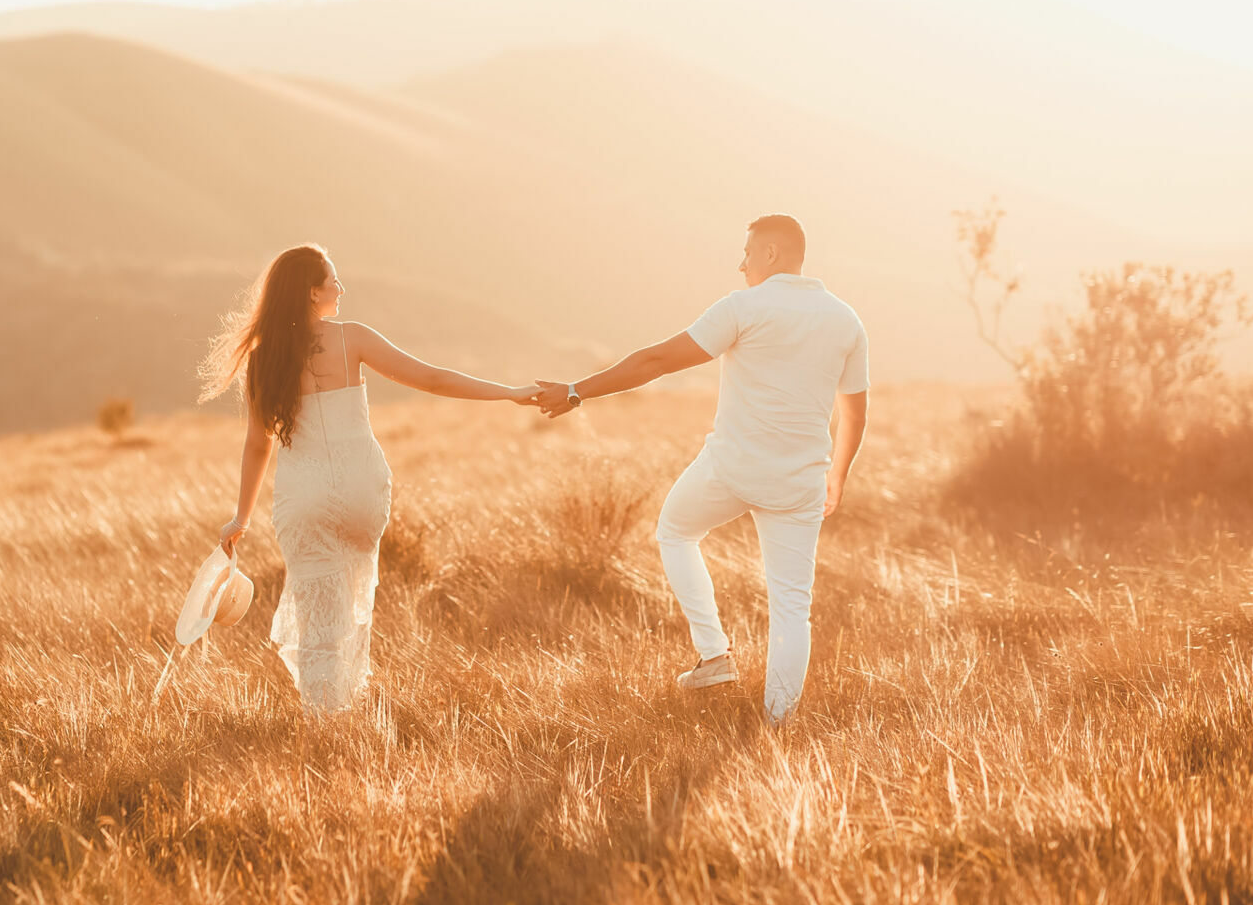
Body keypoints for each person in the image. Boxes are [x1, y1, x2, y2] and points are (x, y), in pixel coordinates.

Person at [532, 214, 869, 726]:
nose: (742, 264)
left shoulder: (743, 308)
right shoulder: (846, 320)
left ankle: (714, 654)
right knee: (791, 607)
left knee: (675, 531)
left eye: (748, 253)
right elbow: (855, 413)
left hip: (731, 469)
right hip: (801, 482)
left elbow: (655, 362)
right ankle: (776, 727)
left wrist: (577, 391)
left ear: (771, 253)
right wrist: (837, 476)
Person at [201, 243, 539, 713]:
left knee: (319, 617)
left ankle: (326, 719)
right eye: (333, 280)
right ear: (312, 292)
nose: (341, 288)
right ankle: (345, 707)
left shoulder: (263, 358)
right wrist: (510, 393)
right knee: (349, 600)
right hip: (362, 488)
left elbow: (258, 445)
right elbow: (433, 379)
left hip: (304, 495)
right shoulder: (352, 338)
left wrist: (241, 518)